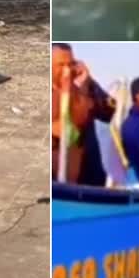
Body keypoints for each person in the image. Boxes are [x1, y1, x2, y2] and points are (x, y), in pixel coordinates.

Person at [51, 43, 115, 186]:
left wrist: (84, 88)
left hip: (92, 176)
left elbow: (111, 113)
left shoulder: (85, 85)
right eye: (60, 65)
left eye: (71, 64)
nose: (67, 71)